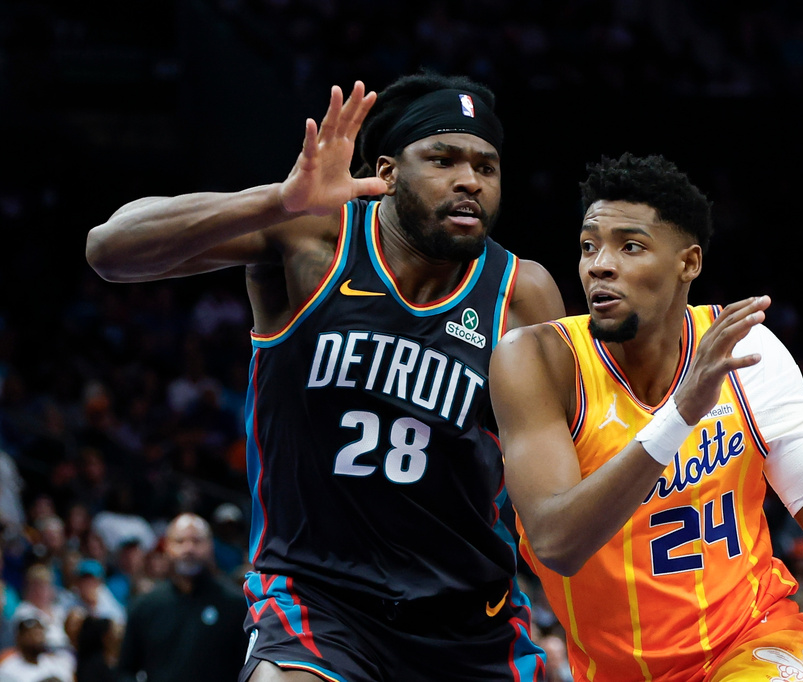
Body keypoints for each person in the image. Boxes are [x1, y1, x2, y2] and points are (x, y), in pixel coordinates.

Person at [86, 71, 565, 682]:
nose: (469, 179)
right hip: (320, 601)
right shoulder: (315, 238)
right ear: (387, 174)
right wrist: (277, 200)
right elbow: (111, 250)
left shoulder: (523, 294)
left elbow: (550, 483)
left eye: (486, 166)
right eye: (443, 159)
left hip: (471, 620)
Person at [487, 152, 803, 681]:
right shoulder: (536, 360)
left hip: (755, 641)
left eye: (631, 246)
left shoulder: (748, 351)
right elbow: (556, 544)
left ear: (688, 262)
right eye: (589, 246)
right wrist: (681, 413)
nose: (600, 263)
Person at [117, 513, 249, 682]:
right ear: (166, 547)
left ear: (210, 545)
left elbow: (246, 670)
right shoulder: (145, 605)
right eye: (180, 541)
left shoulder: (235, 604)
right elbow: (125, 670)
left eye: (197, 541)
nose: (189, 549)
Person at [0, 613, 75, 682]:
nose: (38, 639)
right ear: (19, 638)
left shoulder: (56, 663)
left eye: (40, 633)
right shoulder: (8, 668)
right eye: (32, 634)